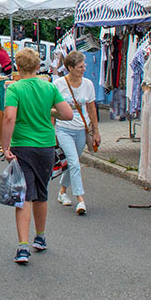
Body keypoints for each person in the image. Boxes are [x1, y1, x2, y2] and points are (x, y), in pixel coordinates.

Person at [1, 48, 73, 264]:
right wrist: (48, 111)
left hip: (22, 145)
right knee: (41, 192)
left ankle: (23, 247)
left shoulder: (14, 89)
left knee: (23, 195)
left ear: (18, 66)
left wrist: (5, 147)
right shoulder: (49, 87)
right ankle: (40, 237)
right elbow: (67, 114)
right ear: (37, 65)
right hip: (46, 146)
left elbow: (9, 117)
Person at [52, 50, 101, 216]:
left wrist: (96, 131)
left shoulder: (88, 84)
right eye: (80, 66)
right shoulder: (58, 84)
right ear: (70, 68)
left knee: (71, 162)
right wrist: (52, 130)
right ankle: (80, 199)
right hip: (63, 129)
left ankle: (62, 190)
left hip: (81, 129)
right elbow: (51, 108)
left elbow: (92, 108)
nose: (84, 69)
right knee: (74, 162)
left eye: (84, 65)